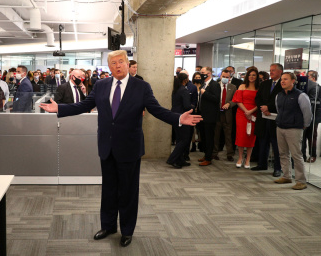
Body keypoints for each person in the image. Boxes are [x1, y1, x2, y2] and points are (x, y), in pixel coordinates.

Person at [39, 50, 202, 247]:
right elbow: (85, 105)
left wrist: (177, 118)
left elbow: (155, 109)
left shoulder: (141, 87)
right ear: (109, 67)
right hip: (107, 146)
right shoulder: (101, 85)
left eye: (121, 62)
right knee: (108, 190)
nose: (117, 65)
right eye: (113, 63)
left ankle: (127, 231)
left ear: (127, 64)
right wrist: (60, 109)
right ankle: (108, 226)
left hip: (129, 147)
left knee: (128, 191)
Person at [274, 72, 312, 190]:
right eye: (281, 80)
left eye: (285, 79)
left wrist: (305, 125)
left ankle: (301, 181)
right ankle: (286, 176)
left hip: (294, 129)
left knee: (296, 155)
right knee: (283, 154)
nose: (282, 81)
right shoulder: (279, 95)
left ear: (293, 81)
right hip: (280, 128)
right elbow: (278, 110)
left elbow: (307, 113)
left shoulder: (301, 96)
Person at [253, 63, 283, 177]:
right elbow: (258, 98)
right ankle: (262, 164)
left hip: (275, 118)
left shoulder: (283, 84)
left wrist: (268, 107)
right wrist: (262, 107)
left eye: (273, 70)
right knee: (263, 141)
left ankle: (277, 168)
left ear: (280, 71)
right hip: (263, 117)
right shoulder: (265, 83)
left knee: (276, 145)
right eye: (270, 70)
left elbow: (281, 100)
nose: (271, 72)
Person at [233, 68, 259, 168]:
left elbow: (260, 102)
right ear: (247, 76)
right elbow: (238, 100)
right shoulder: (242, 86)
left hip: (254, 114)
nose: (251, 77)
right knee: (241, 136)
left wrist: (251, 111)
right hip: (241, 113)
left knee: (251, 137)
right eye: (250, 75)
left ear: (256, 77)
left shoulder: (259, 88)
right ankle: (240, 158)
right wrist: (246, 111)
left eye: (254, 75)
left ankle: (248, 159)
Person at [166, 73, 193, 168]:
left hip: (175, 116)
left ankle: (180, 159)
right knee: (184, 140)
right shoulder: (184, 90)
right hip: (183, 117)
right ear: (185, 80)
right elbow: (186, 106)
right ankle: (172, 159)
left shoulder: (176, 90)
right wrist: (193, 107)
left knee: (179, 139)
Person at [197, 66, 221, 166]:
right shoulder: (203, 84)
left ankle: (208, 158)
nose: (201, 74)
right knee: (204, 137)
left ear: (209, 74)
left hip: (210, 116)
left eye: (202, 72)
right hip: (202, 115)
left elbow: (216, 99)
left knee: (209, 137)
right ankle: (206, 154)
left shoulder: (214, 85)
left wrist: (205, 93)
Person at [212, 69, 237, 161]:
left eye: (227, 77)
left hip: (227, 114)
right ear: (220, 76)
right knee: (216, 135)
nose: (225, 78)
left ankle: (230, 154)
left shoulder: (233, 87)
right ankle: (214, 153)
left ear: (230, 78)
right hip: (217, 113)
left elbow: (235, 100)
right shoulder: (215, 85)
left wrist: (229, 104)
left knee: (228, 136)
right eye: (224, 77)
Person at [302, 70, 321, 163]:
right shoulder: (303, 88)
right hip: (304, 115)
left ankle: (313, 155)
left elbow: (320, 104)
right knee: (302, 137)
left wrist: (307, 103)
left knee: (312, 136)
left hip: (314, 116)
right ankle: (302, 155)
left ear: (313, 78)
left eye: (307, 77)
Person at [190, 72, 202, 152]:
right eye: (196, 77)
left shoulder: (203, 86)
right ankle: (193, 143)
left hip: (201, 109)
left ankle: (201, 143)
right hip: (193, 109)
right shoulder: (191, 87)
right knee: (193, 128)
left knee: (200, 128)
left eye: (199, 77)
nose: (197, 79)